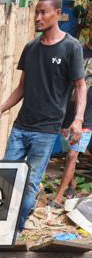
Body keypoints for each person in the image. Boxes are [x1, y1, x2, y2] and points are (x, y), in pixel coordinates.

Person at [0, 0, 86, 233]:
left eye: (44, 12)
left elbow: (80, 85)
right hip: (21, 127)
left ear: (58, 14)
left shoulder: (71, 47)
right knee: (5, 177)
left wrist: (78, 119)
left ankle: (15, 230)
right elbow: (21, 87)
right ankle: (2, 226)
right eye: (36, 12)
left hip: (45, 131)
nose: (38, 17)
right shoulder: (31, 47)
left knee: (30, 186)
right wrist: (1, 109)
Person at [52, 42, 92, 207]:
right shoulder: (76, 50)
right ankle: (71, 186)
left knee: (72, 155)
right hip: (67, 111)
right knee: (68, 151)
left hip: (87, 115)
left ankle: (57, 198)